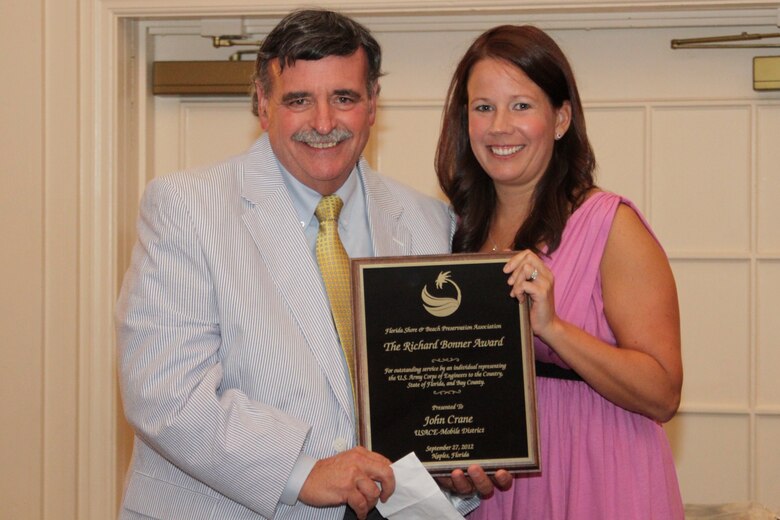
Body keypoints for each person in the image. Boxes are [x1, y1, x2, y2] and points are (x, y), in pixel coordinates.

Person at [116, 9, 506, 520]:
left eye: (344, 98)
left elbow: (428, 394)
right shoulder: (187, 207)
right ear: (262, 104)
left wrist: (456, 471)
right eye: (299, 100)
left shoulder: (428, 220)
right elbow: (165, 394)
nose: (323, 123)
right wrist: (303, 471)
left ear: (372, 106)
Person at [435, 25, 684, 519]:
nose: (500, 126)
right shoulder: (453, 231)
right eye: (483, 107)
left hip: (599, 476)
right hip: (499, 488)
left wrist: (553, 329)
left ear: (561, 118)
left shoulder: (613, 225)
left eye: (521, 105)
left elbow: (662, 393)